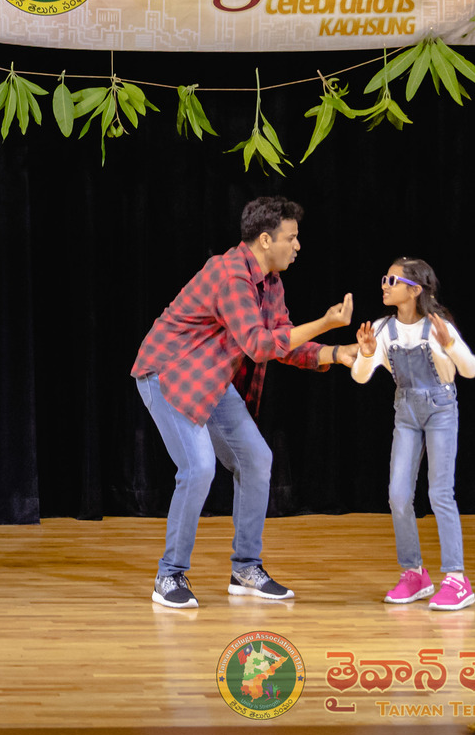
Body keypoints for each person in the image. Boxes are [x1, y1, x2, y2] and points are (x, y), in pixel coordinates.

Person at [131, 196, 360, 609]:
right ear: (266, 239)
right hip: (167, 373)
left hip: (210, 378)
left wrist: (334, 353)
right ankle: (169, 576)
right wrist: (325, 322)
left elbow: (283, 342)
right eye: (291, 238)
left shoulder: (270, 281)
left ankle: (245, 569)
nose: (298, 246)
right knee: (197, 468)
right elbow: (257, 345)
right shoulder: (230, 274)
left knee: (257, 459)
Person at [351, 258, 475, 611]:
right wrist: (364, 355)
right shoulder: (382, 330)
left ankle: (457, 578)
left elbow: (470, 369)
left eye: (392, 280)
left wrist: (450, 346)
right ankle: (414, 573)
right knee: (397, 494)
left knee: (439, 493)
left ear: (415, 289)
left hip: (440, 409)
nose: (385, 284)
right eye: (385, 278)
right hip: (405, 411)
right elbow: (360, 377)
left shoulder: (437, 327)